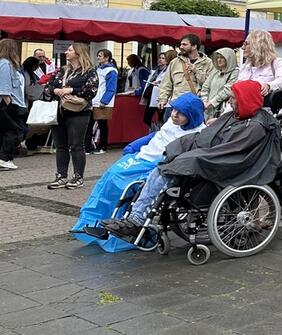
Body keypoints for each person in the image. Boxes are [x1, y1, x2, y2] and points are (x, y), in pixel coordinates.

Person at [104, 81, 279, 236]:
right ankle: (136, 216)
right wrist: (178, 147)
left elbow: (231, 151)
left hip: (226, 163)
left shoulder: (254, 126)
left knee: (175, 166)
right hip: (214, 155)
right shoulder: (235, 116)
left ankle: (137, 219)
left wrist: (194, 154)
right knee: (163, 166)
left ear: (244, 99)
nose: (230, 101)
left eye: (233, 98)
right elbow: (206, 136)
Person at [73, 92, 205, 251]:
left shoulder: (196, 135)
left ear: (192, 116)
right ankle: (90, 221)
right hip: (142, 157)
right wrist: (135, 145)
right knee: (108, 177)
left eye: (180, 113)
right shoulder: (172, 122)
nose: (174, 114)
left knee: (119, 185)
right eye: (174, 109)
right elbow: (158, 135)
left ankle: (122, 228)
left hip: (158, 164)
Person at [43, 43, 98, 189]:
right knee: (60, 145)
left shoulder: (89, 71)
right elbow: (47, 87)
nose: (66, 52)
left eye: (70, 50)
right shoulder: (62, 70)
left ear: (79, 53)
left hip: (79, 111)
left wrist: (71, 90)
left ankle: (78, 177)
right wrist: (56, 91)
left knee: (76, 145)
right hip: (59, 111)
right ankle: (61, 176)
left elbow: (91, 91)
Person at [158, 34, 213, 112]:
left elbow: (210, 85)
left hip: (197, 106)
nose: (181, 47)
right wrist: (162, 99)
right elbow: (166, 83)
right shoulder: (175, 62)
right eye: (181, 44)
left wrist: (196, 71)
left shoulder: (208, 63)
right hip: (177, 105)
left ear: (194, 46)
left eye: (184, 44)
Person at [237, 30, 282, 107]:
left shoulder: (276, 62)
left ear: (257, 45)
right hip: (245, 109)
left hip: (267, 110)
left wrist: (269, 86)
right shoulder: (245, 66)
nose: (242, 47)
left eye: (246, 44)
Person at [0, 39, 27, 171]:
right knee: (13, 131)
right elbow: (4, 89)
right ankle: (5, 158)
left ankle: (6, 159)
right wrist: (9, 105)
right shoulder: (5, 64)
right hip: (9, 104)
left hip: (9, 103)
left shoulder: (6, 64)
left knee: (7, 131)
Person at [87, 49, 118, 154]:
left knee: (102, 124)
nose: (98, 57)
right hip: (95, 99)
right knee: (94, 123)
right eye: (98, 55)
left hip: (102, 101)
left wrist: (104, 101)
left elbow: (111, 88)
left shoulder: (111, 71)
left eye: (100, 56)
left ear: (107, 57)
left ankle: (102, 146)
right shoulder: (99, 68)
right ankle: (90, 146)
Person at [199, 48, 239, 119]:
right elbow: (205, 87)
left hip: (223, 110)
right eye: (217, 57)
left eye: (222, 57)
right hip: (208, 110)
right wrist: (204, 101)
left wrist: (212, 102)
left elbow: (228, 90)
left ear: (229, 58)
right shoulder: (215, 72)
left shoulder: (235, 72)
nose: (219, 60)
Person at [142, 52, 170, 131]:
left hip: (161, 96)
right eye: (160, 58)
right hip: (152, 96)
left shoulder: (168, 71)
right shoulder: (155, 71)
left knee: (161, 118)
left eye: (163, 58)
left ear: (167, 61)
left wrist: (158, 82)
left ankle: (158, 131)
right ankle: (154, 130)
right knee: (146, 118)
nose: (160, 60)